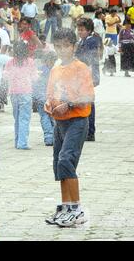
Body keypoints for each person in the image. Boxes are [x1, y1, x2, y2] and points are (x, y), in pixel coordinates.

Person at [44, 28, 94, 227]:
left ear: (73, 47)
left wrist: (70, 104)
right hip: (60, 122)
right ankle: (65, 207)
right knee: (59, 163)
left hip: (77, 121)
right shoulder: (55, 69)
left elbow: (88, 96)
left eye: (66, 46)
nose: (62, 50)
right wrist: (49, 105)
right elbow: (50, 94)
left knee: (67, 160)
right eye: (58, 46)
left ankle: (76, 209)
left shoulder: (81, 68)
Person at [4, 41, 38, 150]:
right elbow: (34, 77)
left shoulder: (10, 62)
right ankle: (22, 143)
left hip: (14, 93)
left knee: (17, 118)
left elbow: (5, 76)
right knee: (24, 118)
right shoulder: (30, 62)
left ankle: (17, 141)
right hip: (26, 93)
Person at [75, 18, 101, 142]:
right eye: (78, 29)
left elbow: (90, 60)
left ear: (89, 30)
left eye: (82, 30)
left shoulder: (91, 41)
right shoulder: (83, 40)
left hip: (88, 75)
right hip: (82, 75)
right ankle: (87, 130)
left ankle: (90, 132)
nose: (79, 32)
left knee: (88, 102)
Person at [33, 51, 58, 146]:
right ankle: (54, 137)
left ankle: (48, 137)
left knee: (44, 117)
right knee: (52, 117)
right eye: (53, 61)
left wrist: (35, 97)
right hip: (51, 98)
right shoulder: (55, 71)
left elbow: (34, 85)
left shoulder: (39, 70)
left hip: (41, 98)